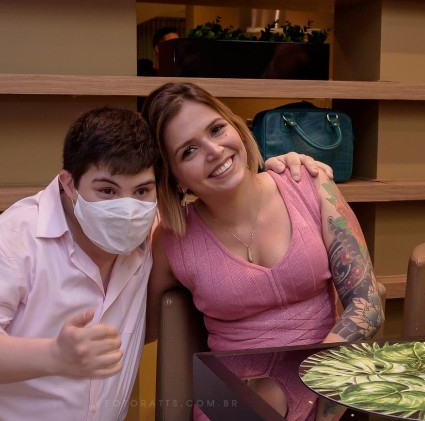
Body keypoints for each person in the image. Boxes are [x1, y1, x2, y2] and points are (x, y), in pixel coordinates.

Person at [0, 105, 323, 421]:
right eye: (106, 191)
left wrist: (285, 170)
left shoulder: (152, 236)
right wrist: (53, 356)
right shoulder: (9, 243)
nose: (125, 208)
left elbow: (223, 203)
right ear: (69, 184)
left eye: (141, 190)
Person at [141, 82, 385, 421]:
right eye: (189, 151)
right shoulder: (171, 240)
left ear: (236, 127)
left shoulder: (311, 185)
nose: (214, 150)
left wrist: (323, 404)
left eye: (216, 129)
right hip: (235, 405)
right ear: (175, 177)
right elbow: (139, 331)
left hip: (328, 390)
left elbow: (367, 305)